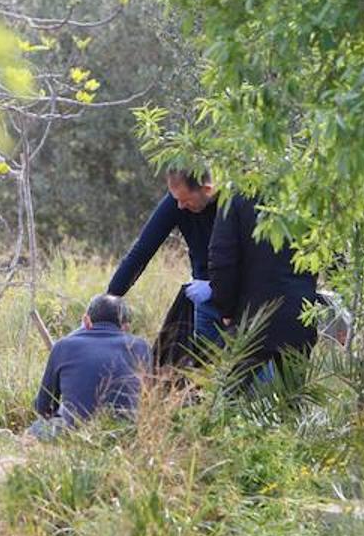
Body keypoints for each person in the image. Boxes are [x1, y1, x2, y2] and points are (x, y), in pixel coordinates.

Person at [208, 194, 319, 378]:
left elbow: (221, 261)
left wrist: (226, 309)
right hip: (299, 313)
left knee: (224, 395)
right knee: (291, 399)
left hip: (251, 317)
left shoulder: (237, 195)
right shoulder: (305, 188)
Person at [107, 169, 221, 343]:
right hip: (203, 294)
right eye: (177, 200)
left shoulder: (233, 202)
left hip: (240, 292)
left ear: (206, 190)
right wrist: (109, 299)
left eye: (186, 200)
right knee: (209, 358)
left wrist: (217, 286)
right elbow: (142, 250)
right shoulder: (176, 203)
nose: (180, 206)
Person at [29, 294, 151, 438]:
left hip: (77, 434)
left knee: (37, 428)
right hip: (126, 433)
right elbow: (148, 399)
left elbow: (44, 408)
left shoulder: (63, 346)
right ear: (125, 326)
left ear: (86, 321)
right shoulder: (141, 347)